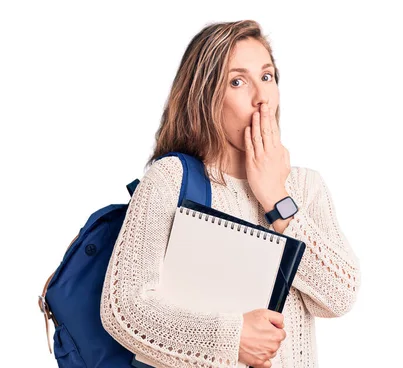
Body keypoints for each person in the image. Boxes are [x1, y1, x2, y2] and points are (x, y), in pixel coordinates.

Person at [100, 20, 361, 368]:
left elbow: (340, 296)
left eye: (267, 77)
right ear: (206, 97)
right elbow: (123, 309)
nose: (261, 99)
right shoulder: (170, 178)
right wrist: (232, 337)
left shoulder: (304, 187)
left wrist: (276, 198)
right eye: (237, 82)